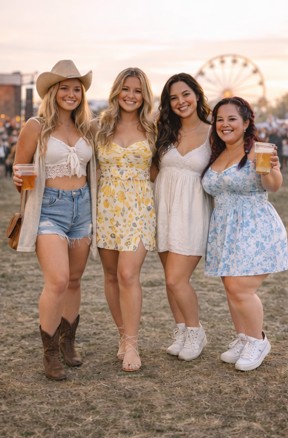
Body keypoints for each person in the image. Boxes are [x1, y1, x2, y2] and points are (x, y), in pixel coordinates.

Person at [12, 60, 97, 380]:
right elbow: (19, 170)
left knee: (74, 281)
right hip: (49, 209)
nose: (72, 94)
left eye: (77, 89)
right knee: (58, 279)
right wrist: (20, 180)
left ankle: (67, 342)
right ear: (52, 92)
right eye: (65, 88)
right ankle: (49, 352)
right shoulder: (36, 125)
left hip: (83, 209)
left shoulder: (88, 127)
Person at [202, 96, 288, 371]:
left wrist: (267, 167)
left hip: (254, 227)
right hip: (226, 229)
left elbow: (273, 186)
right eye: (219, 119)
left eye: (232, 119)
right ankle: (243, 337)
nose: (224, 124)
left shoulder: (256, 150)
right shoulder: (216, 152)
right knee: (230, 287)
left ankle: (257, 340)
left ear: (246, 122)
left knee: (241, 288)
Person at [93, 67, 156, 372]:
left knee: (128, 274)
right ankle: (122, 334)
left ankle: (132, 344)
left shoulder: (154, 128)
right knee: (111, 275)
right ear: (117, 91)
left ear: (145, 95)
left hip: (139, 207)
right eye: (126, 89)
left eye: (138, 90)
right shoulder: (99, 127)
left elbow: (160, 170)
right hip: (106, 207)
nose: (131, 95)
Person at [153, 73, 212, 361]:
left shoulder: (214, 133)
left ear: (197, 95)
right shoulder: (163, 131)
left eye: (186, 94)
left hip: (193, 213)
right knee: (169, 279)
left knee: (178, 279)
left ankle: (196, 330)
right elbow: (153, 171)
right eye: (173, 97)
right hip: (164, 207)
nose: (180, 102)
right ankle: (181, 330)